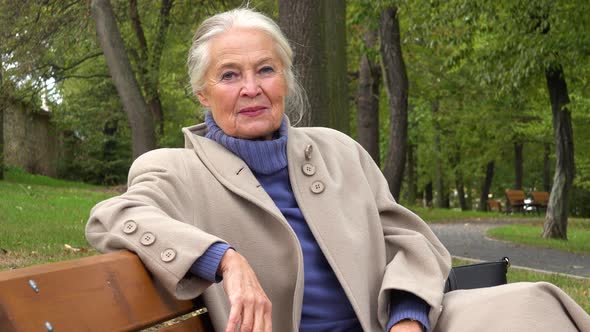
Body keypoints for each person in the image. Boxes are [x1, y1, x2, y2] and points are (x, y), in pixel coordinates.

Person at [86, 8, 590, 332]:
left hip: (390, 326)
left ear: (285, 78)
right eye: (229, 75)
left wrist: (408, 318)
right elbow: (114, 217)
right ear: (202, 92)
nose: (251, 87)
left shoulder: (338, 151)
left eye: (265, 69)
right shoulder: (175, 169)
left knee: (534, 307)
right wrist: (227, 261)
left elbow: (409, 241)